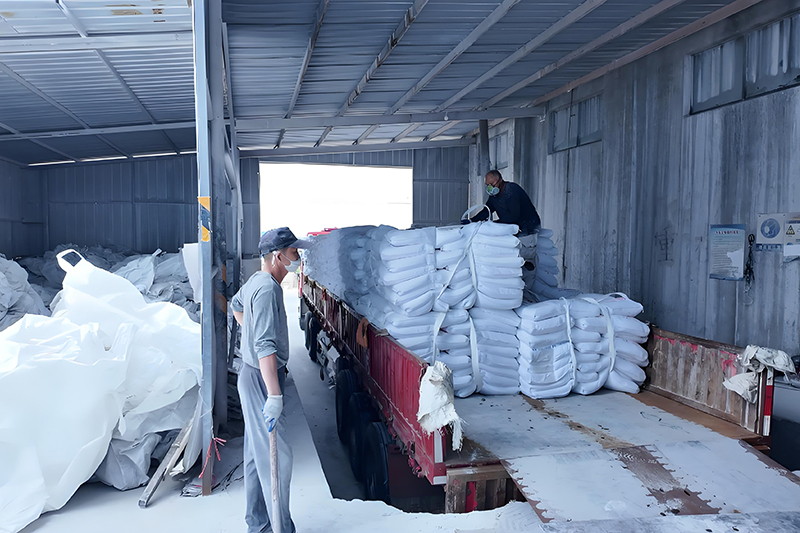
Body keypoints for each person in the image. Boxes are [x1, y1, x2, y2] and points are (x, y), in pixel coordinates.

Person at [231, 227, 308, 533]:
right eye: (293, 253)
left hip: (254, 375)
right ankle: (280, 528)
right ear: (277, 256)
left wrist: (250, 332)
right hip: (262, 378)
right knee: (277, 459)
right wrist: (274, 395)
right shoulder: (266, 289)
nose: (298, 258)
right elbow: (265, 347)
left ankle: (259, 525)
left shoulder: (257, 282)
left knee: (255, 456)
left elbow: (237, 306)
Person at [471, 169, 541, 235]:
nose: (490, 188)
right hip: (513, 225)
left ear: (500, 180)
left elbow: (513, 216)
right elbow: (487, 211)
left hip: (529, 225)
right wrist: (472, 220)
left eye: (492, 185)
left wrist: (494, 223)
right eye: (488, 185)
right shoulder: (494, 196)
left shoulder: (512, 190)